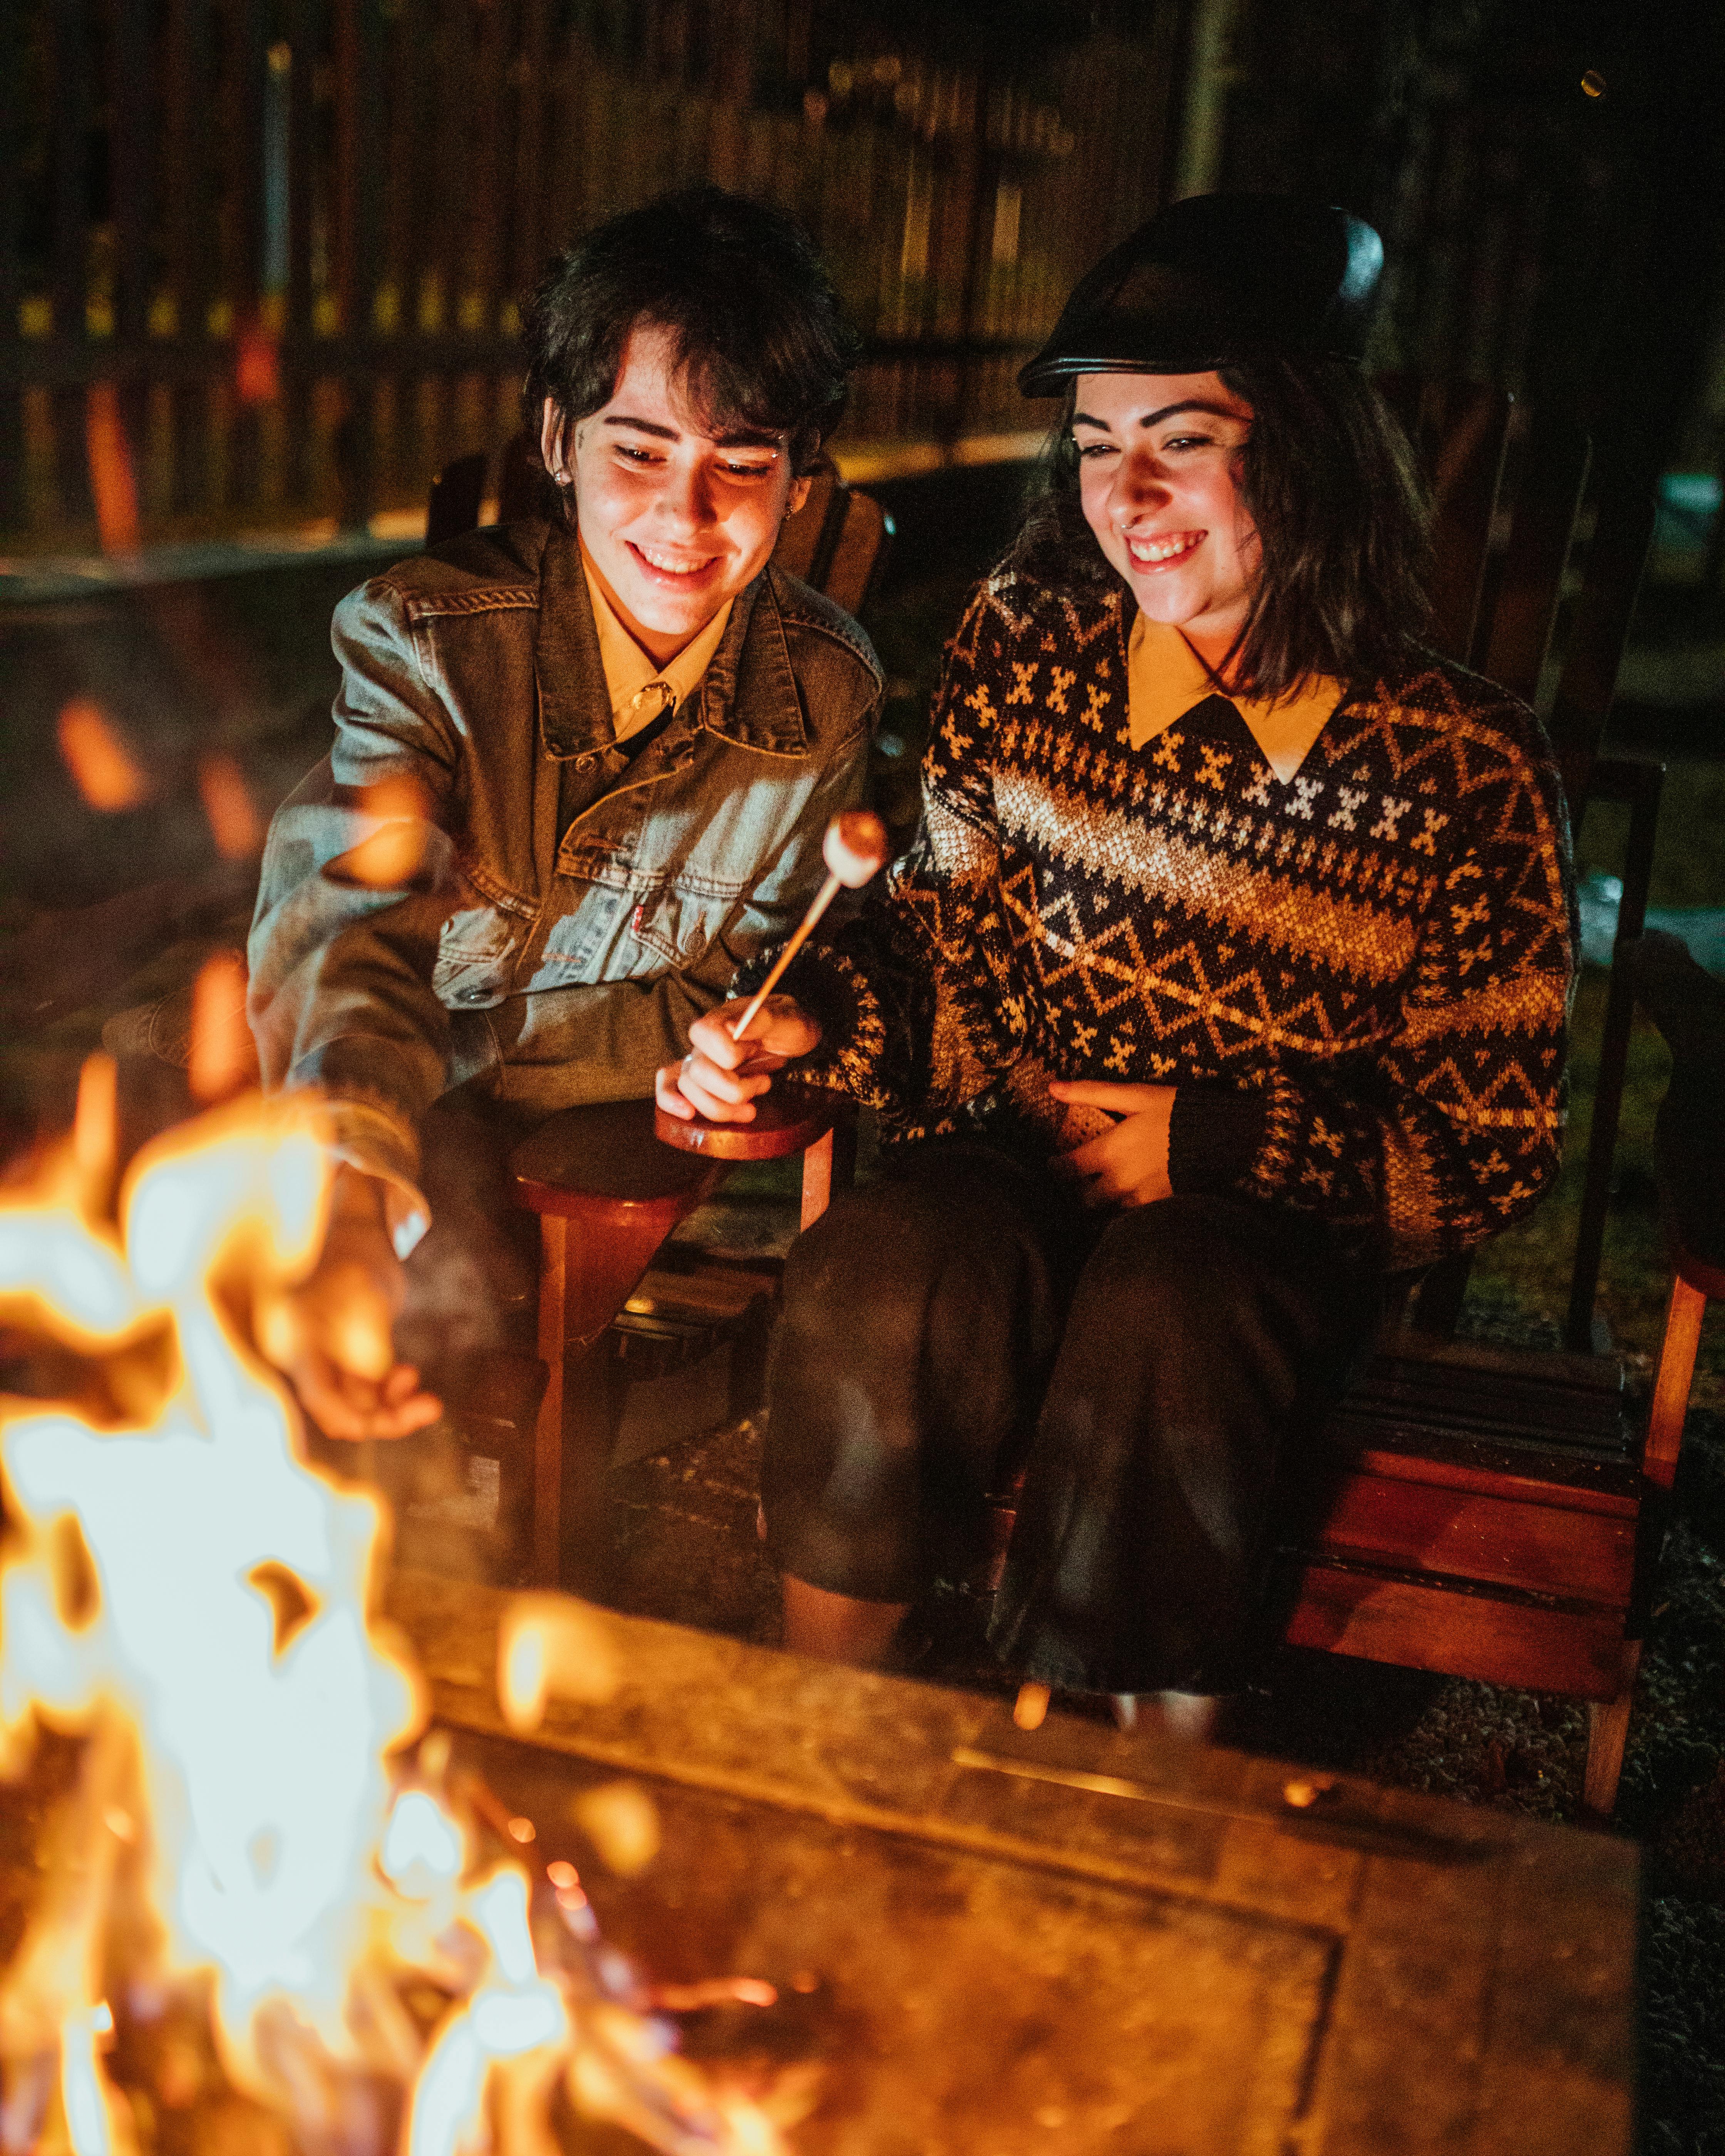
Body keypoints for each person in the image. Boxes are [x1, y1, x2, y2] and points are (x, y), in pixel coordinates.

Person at [658, 193, 1576, 1716]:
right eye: (1094, 447)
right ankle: (826, 1720)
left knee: (1169, 1305)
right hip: (1010, 1162)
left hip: (1257, 1239)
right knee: (888, 1258)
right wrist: (813, 1017)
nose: (1126, 493)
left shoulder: (1462, 767)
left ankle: (1142, 1778)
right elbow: (942, 954)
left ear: (1308, 442)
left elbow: (1484, 1141)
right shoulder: (1025, 652)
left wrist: (1211, 1142)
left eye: (1180, 438)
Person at [248, 187, 881, 1441]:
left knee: (472, 1340)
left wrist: (738, 1046)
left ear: (801, 481)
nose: (683, 518)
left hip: (591, 1129)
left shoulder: (823, 694)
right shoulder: (423, 645)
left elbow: (736, 985)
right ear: (559, 439)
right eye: (638, 449)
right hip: (383, 1087)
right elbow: (354, 936)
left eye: (741, 464)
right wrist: (351, 1197)